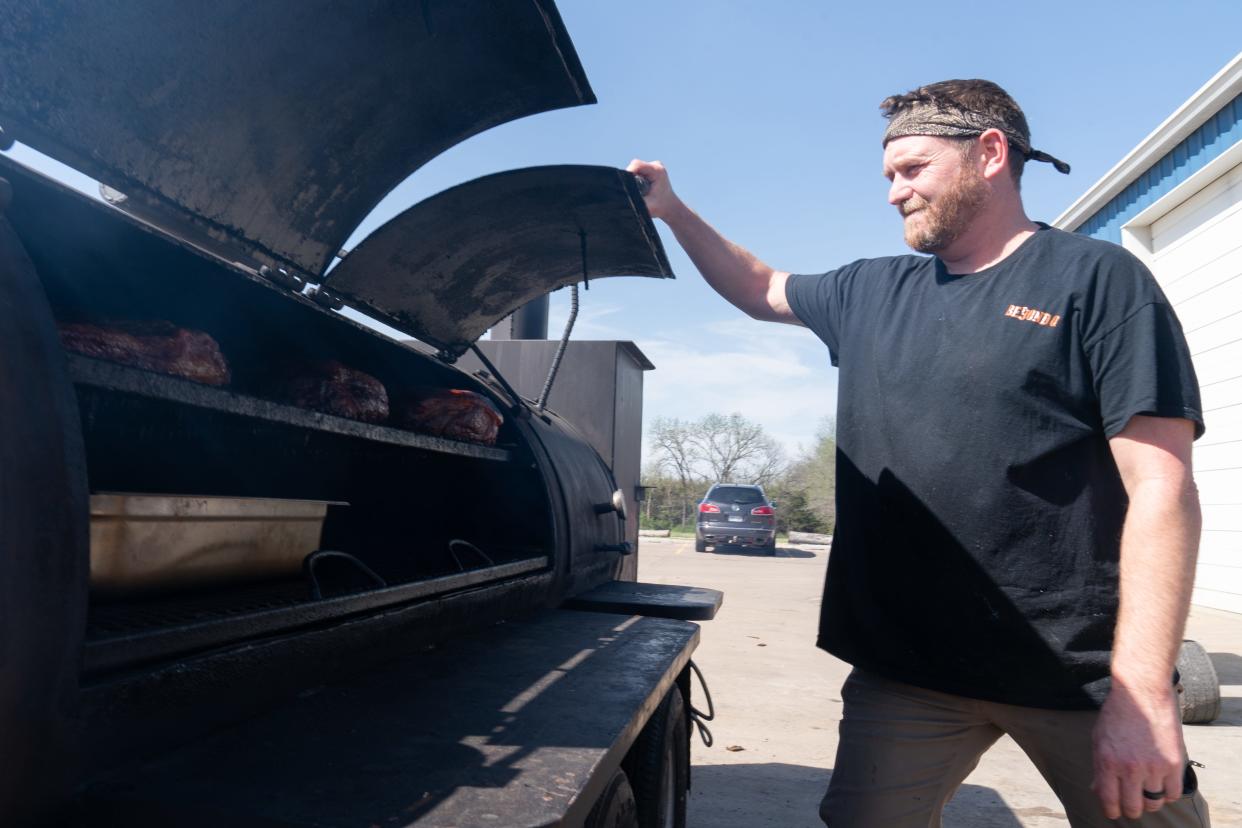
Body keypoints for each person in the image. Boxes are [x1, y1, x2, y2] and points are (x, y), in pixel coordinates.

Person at [629, 79, 1210, 827]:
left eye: (913, 169)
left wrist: (1144, 693)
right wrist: (672, 209)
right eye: (888, 175)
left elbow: (1162, 489)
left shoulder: (1097, 280)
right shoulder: (871, 291)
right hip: (911, 672)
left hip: (1083, 675)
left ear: (990, 154)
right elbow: (760, 286)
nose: (894, 192)